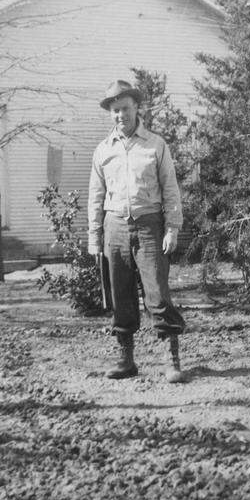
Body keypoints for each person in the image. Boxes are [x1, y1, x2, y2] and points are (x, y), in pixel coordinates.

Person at [88, 79, 187, 383]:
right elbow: (96, 195)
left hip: (149, 226)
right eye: (115, 110)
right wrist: (94, 238)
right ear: (110, 113)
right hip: (114, 227)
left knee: (157, 294)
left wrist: (172, 227)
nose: (121, 115)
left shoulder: (155, 145)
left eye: (126, 109)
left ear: (136, 108)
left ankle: (171, 361)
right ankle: (125, 360)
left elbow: (170, 189)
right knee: (120, 296)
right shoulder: (103, 150)